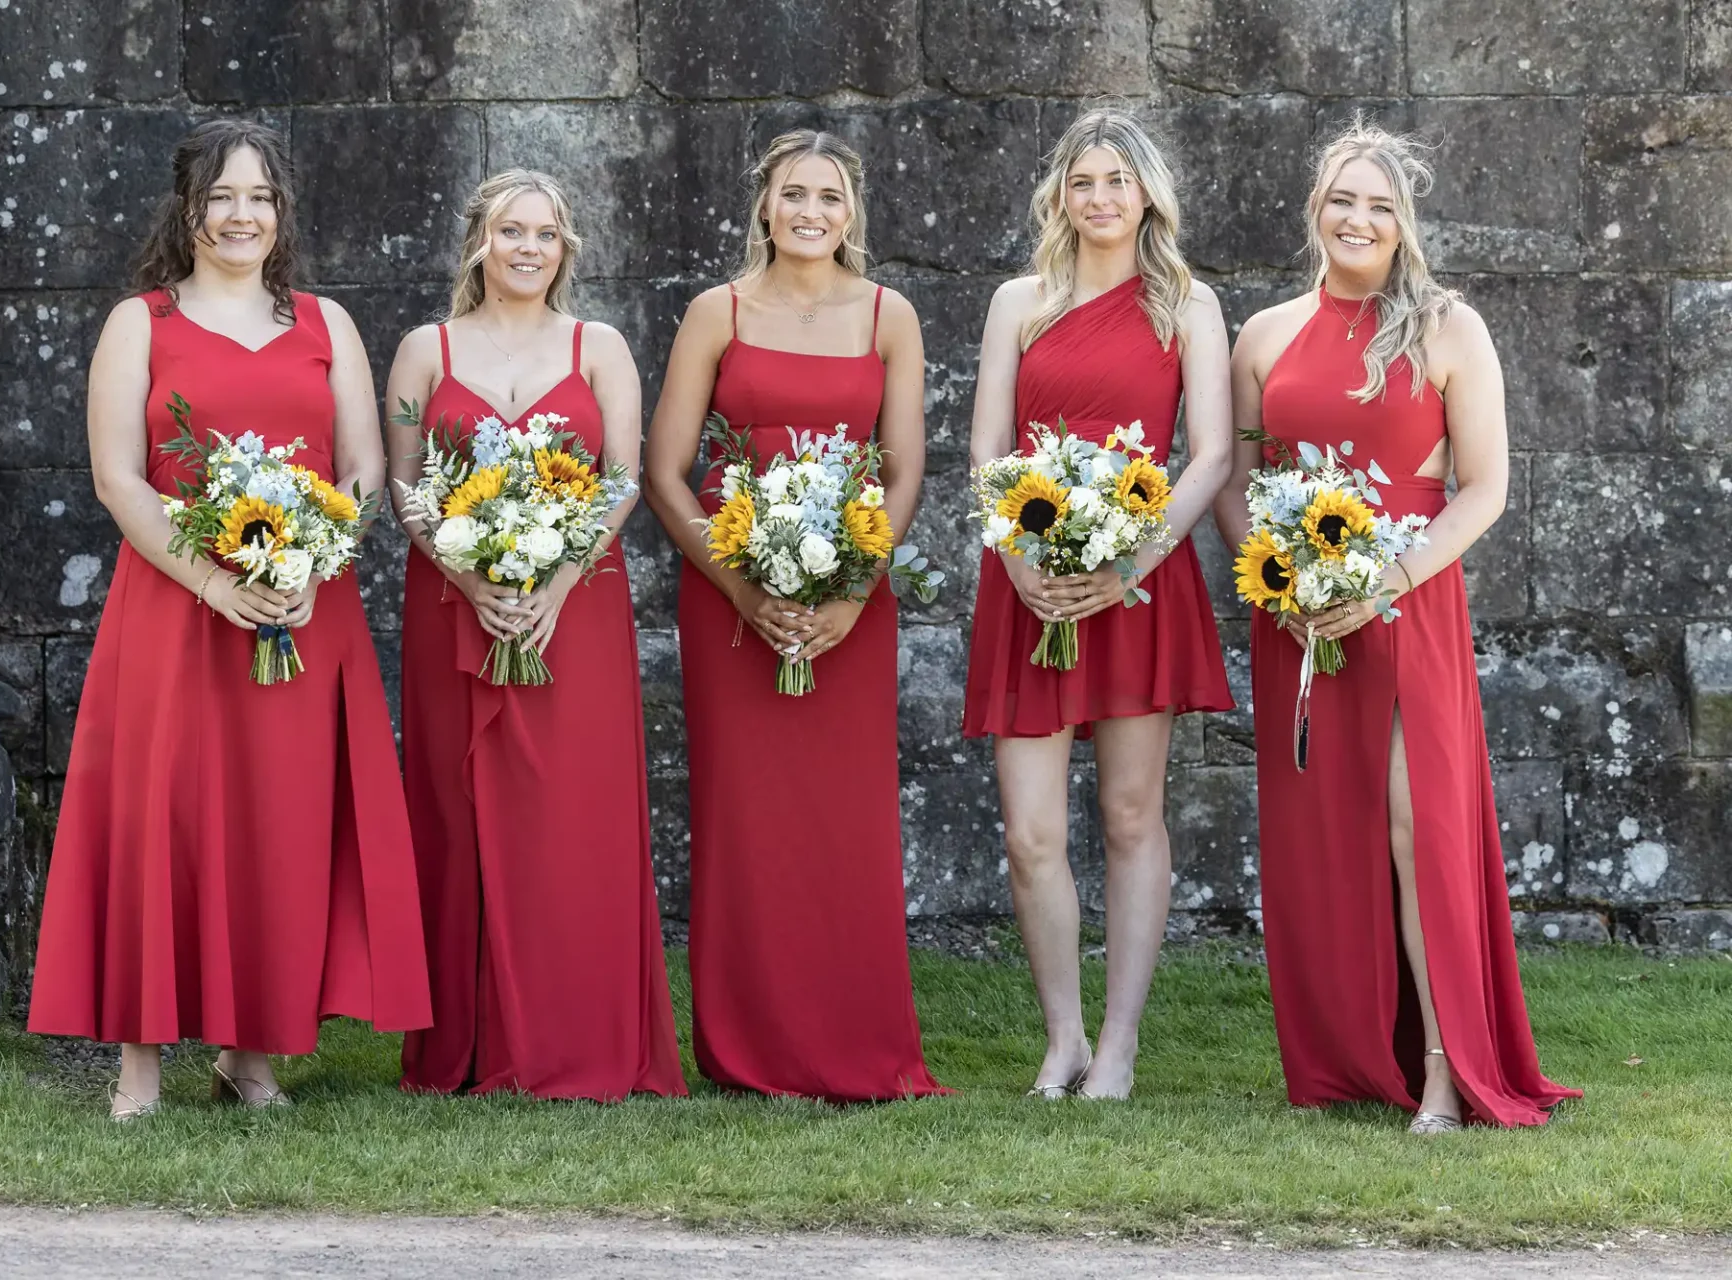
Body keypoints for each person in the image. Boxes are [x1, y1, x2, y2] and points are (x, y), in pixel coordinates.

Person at [27, 119, 432, 1119]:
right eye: (222, 197)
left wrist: (313, 563)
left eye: (259, 196)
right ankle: (140, 1066)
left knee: (280, 828)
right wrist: (213, 581)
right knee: (160, 819)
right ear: (189, 210)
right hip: (174, 613)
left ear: (280, 213)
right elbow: (119, 476)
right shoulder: (141, 322)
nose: (241, 214)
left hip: (304, 613)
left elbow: (364, 470)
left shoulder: (326, 323)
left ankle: (251, 1057)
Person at [1216, 117, 1580, 1131]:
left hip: (1406, 603)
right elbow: (1241, 483)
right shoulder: (1265, 336)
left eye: (1379, 204)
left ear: (1404, 219)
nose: (1358, 218)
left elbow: (1486, 487)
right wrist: (1281, 579)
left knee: (1416, 822)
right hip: (1300, 614)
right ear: (1315, 211)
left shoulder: (1449, 327)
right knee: (1323, 831)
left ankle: (1441, 1067)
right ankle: (1342, 1054)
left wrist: (1387, 581)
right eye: (1342, 200)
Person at [641, 132, 946, 1101]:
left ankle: (860, 1044)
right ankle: (751, 1050)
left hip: (853, 603)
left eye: (830, 196)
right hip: (733, 600)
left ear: (851, 214)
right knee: (747, 820)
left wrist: (854, 591)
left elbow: (903, 472)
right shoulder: (715, 313)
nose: (811, 211)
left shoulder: (889, 317)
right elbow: (664, 470)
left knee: (843, 823)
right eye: (793, 194)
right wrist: (743, 586)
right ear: (764, 208)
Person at [388, 170, 685, 1101]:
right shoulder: (422, 351)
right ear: (478, 240)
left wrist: (552, 586)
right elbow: (404, 489)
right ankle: (468, 1046)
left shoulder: (598, 347)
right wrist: (474, 581)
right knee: (460, 807)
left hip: (577, 606)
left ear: (566, 249)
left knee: (571, 813)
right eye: (510, 231)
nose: (527, 248)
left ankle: (578, 1037)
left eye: (546, 235)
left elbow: (623, 479)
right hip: (451, 606)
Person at [961, 107, 1235, 1100]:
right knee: (1030, 829)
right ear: (1061, 196)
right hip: (1027, 578)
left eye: (1120, 180)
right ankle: (1063, 1038)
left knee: (1129, 813)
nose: (1102, 197)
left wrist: (1136, 561)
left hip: (1137, 576)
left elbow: (1209, 452)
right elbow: (988, 447)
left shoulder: (1188, 306)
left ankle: (1119, 1043)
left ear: (1148, 193)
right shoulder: (1018, 302)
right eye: (1085, 181)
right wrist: (1021, 553)